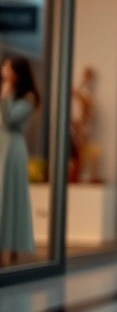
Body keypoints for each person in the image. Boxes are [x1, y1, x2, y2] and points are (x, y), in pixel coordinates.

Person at [0, 56, 40, 266]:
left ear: (17, 72)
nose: (3, 70)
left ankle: (9, 250)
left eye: (8, 66)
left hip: (13, 150)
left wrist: (5, 96)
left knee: (10, 197)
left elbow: (10, 119)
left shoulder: (29, 97)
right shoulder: (8, 92)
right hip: (1, 145)